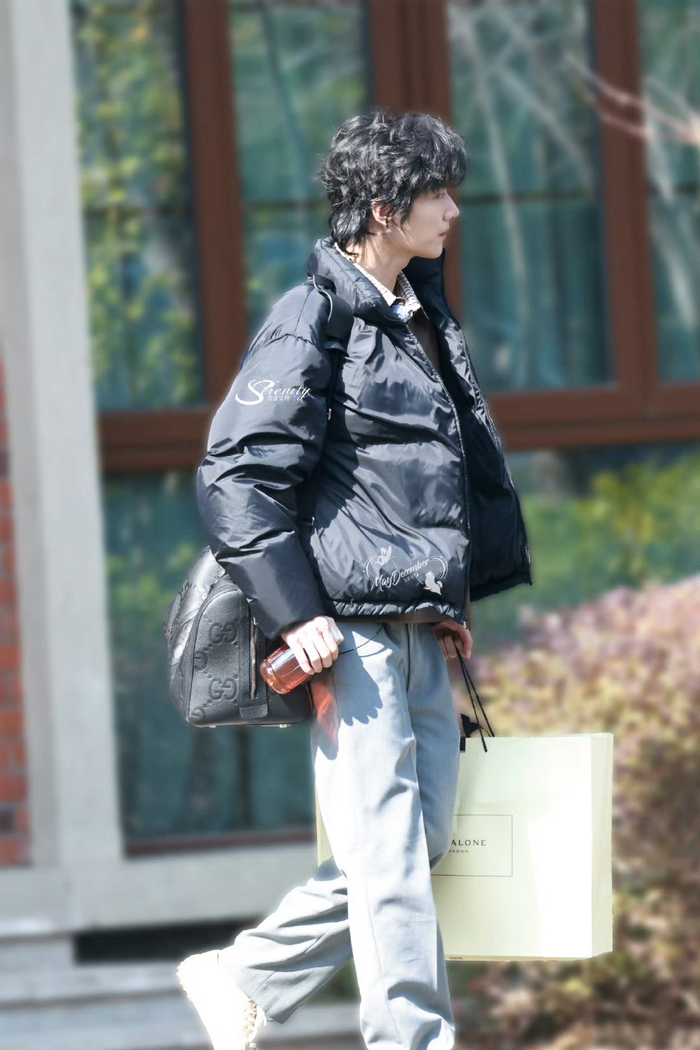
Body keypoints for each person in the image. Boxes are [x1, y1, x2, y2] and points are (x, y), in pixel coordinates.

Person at [177, 108, 532, 1050]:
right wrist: (296, 614)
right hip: (346, 635)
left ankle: (246, 975)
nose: (454, 210)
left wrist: (447, 602)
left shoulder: (415, 318)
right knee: (390, 864)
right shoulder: (312, 319)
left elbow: (415, 481)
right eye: (438, 194)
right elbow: (238, 476)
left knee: (421, 842)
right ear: (384, 209)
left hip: (418, 624)